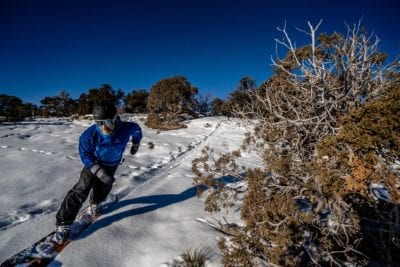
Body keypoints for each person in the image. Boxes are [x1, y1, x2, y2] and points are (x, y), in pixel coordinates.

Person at [53, 102, 142, 244]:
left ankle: (95, 203)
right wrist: (99, 172)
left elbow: (137, 131)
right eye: (98, 122)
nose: (102, 126)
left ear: (114, 118)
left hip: (112, 164)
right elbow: (84, 154)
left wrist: (136, 144)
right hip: (93, 165)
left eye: (105, 122)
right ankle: (63, 223)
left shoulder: (127, 128)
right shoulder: (89, 135)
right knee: (80, 190)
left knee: (104, 187)